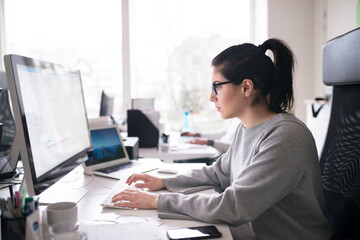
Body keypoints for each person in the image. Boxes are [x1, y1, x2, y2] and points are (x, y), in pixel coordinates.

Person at [111, 39, 333, 239]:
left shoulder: (285, 136)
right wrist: (165, 183)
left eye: (217, 86)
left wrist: (157, 201)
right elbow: (219, 173)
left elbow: (235, 206)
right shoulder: (245, 128)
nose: (211, 96)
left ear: (246, 87)